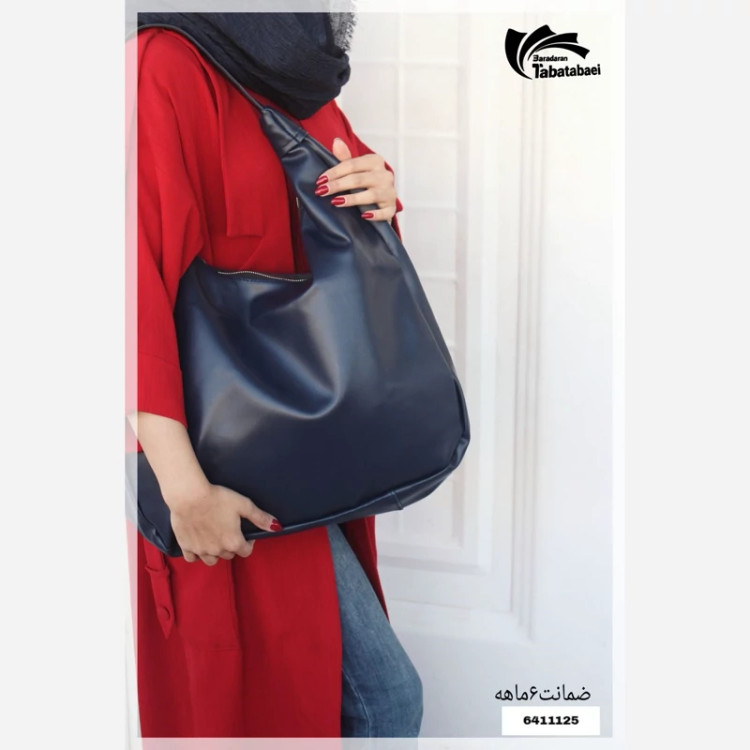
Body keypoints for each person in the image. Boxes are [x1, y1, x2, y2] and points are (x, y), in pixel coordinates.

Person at [125, 10, 424, 739]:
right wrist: (185, 491)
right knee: (373, 700)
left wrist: (379, 193)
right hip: (221, 459)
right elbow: (126, 286)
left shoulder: (296, 70)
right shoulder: (164, 63)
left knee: (345, 703)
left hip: (314, 439)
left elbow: (344, 233)